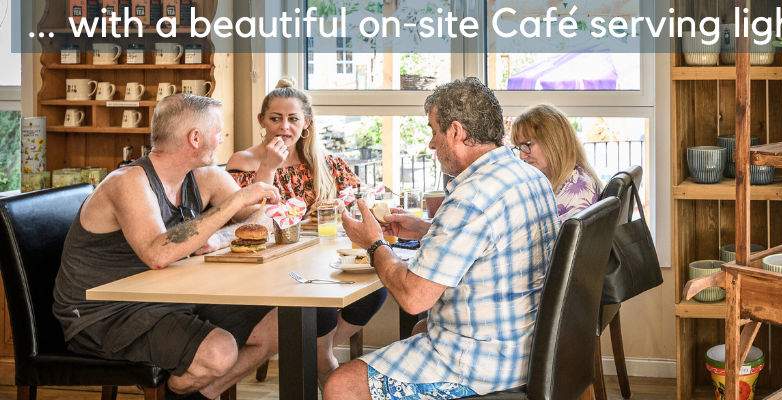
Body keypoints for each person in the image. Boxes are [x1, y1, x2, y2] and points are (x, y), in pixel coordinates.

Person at [324, 77, 560, 400]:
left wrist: (373, 243)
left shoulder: (471, 195)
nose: (432, 144)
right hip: (526, 351)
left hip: (480, 369)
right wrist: (425, 230)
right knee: (422, 329)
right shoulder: (531, 178)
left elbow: (413, 298)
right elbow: (488, 243)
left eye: (434, 132)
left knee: (339, 386)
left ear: (456, 132)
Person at [52, 93, 282, 399]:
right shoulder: (128, 182)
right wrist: (233, 204)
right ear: (196, 138)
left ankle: (193, 395)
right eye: (219, 131)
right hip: (105, 313)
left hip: (166, 298)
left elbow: (262, 220)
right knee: (218, 352)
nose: (222, 138)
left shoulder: (203, 176)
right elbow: (158, 254)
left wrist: (221, 236)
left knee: (280, 323)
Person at [225, 77, 387, 387]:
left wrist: (337, 211)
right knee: (318, 305)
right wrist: (269, 166)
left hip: (321, 260)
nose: (284, 126)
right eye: (275, 118)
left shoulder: (323, 162)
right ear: (262, 120)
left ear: (306, 122)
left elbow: (358, 202)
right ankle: (322, 365)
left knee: (374, 291)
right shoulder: (243, 161)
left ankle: (309, 353)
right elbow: (244, 220)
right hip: (275, 268)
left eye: (293, 119)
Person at [510, 103, 603, 223]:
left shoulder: (576, 192)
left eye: (527, 145)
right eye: (519, 147)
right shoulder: (562, 181)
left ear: (553, 142)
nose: (522, 155)